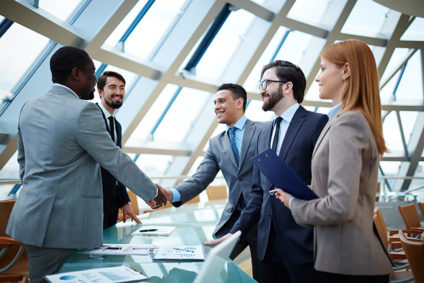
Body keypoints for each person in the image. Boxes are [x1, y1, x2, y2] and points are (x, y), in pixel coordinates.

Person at [6, 46, 166, 282]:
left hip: (30, 217)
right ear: (76, 74)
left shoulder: (29, 106)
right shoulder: (84, 111)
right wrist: (151, 192)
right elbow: (115, 159)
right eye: (91, 74)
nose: (94, 81)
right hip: (64, 226)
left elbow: (24, 161)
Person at [275, 40, 393, 282]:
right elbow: (337, 192)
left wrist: (295, 203)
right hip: (345, 262)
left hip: (348, 267)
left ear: (346, 71)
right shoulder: (346, 119)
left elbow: (340, 206)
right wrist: (301, 192)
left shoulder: (349, 122)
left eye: (323, 68)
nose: (317, 78)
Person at [205, 60, 328, 282]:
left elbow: (325, 183)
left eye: (266, 83)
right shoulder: (264, 133)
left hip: (303, 245)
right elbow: (257, 192)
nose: (261, 90)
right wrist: (234, 234)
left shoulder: (317, 123)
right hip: (267, 248)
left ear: (287, 87)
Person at [150, 83, 266, 281]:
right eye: (215, 102)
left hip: (264, 218)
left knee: (264, 276)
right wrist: (171, 194)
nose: (216, 107)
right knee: (217, 270)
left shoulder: (265, 130)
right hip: (234, 221)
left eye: (222, 101)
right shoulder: (216, 142)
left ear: (239, 103)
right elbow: (200, 179)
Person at [96, 71, 141, 229]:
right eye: (112, 87)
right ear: (100, 91)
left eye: (121, 88)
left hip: (111, 202)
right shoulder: (92, 117)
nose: (118, 92)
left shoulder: (116, 125)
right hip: (94, 202)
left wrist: (124, 201)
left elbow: (118, 165)